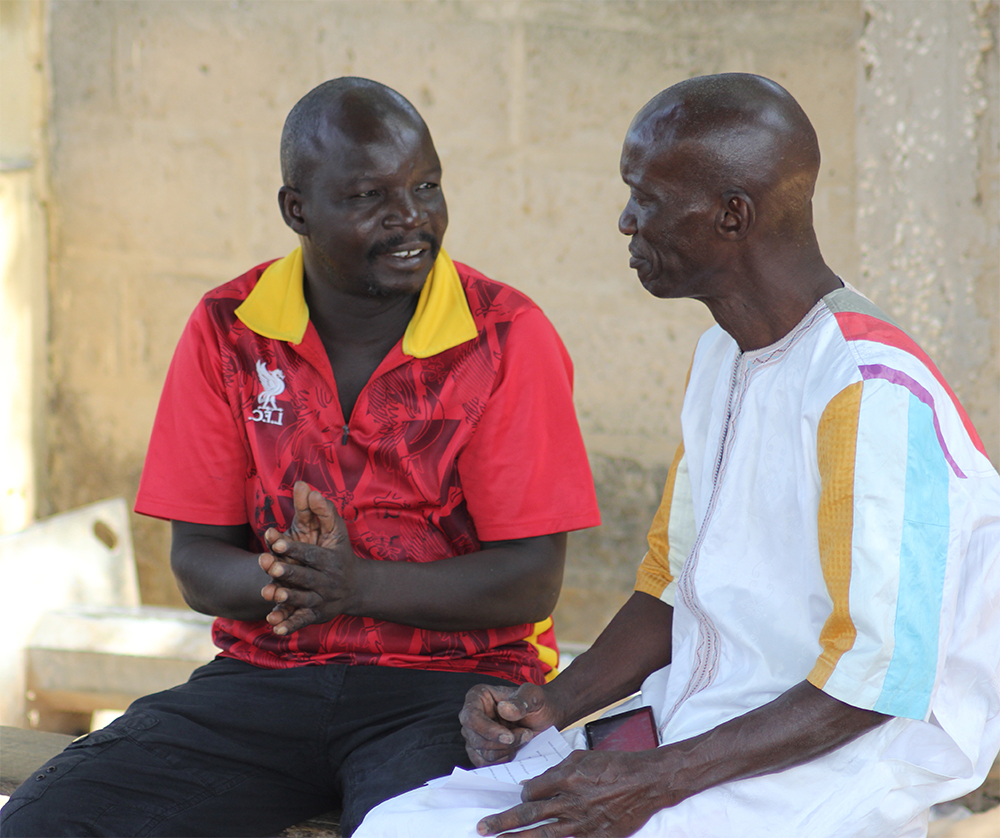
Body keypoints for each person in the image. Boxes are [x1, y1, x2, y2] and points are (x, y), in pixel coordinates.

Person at [354, 73, 1000, 838]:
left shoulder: (869, 391)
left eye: (648, 199)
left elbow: (874, 680)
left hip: (838, 766)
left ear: (733, 216)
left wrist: (653, 782)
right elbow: (673, 586)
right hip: (701, 733)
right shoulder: (722, 357)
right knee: (403, 825)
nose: (626, 221)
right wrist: (553, 705)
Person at [0, 78, 601, 838]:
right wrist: (292, 580)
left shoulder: (507, 335)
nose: (409, 218)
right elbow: (196, 562)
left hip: (454, 693)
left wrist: (355, 585)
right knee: (47, 820)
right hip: (264, 683)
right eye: (367, 197)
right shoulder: (229, 329)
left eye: (426, 187)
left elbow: (530, 581)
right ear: (297, 211)